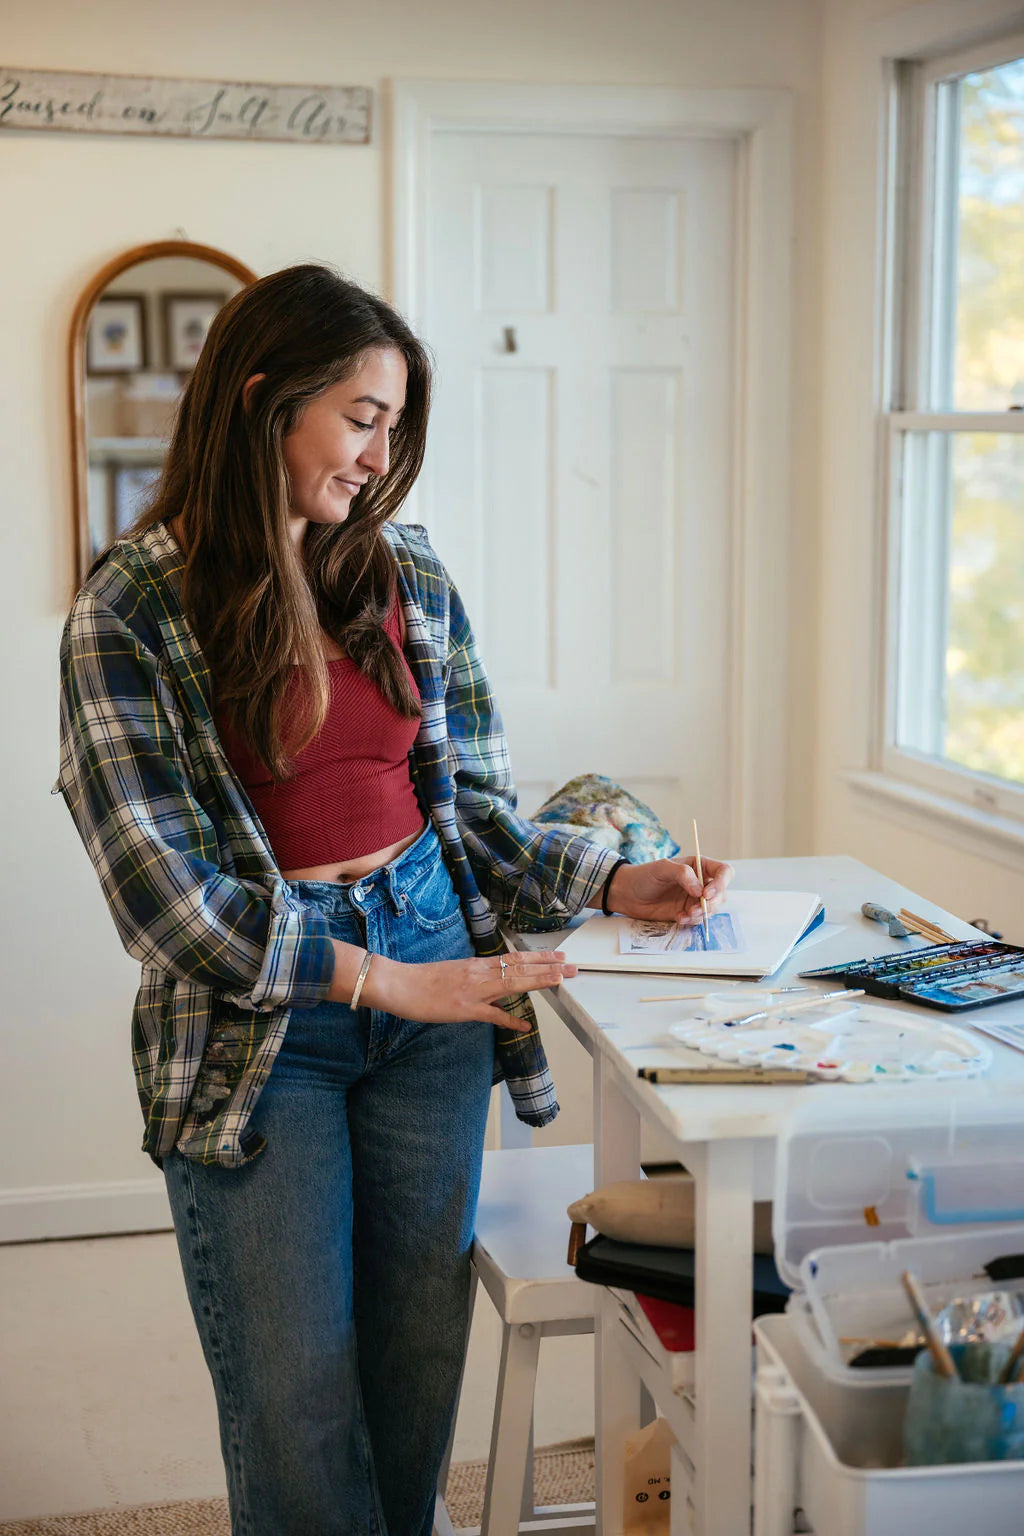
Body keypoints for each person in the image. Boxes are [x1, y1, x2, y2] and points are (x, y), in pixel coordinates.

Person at [56, 264, 733, 1536]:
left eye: (393, 427)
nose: (382, 456)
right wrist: (376, 978)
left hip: (431, 969)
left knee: (414, 1376)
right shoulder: (132, 608)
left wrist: (613, 877)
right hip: (265, 1033)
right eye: (363, 418)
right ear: (265, 401)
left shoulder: (402, 574)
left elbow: (470, 813)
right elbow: (166, 904)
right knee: (297, 1401)